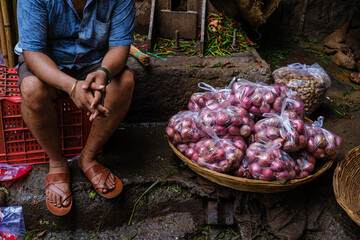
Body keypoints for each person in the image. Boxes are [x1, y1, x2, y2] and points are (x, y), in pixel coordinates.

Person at [15, 0, 135, 216]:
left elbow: (120, 47)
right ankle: (58, 162)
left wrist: (104, 73)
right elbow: (33, 53)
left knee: (124, 82)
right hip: (48, 63)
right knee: (31, 88)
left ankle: (88, 158)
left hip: (94, 63)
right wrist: (71, 87)